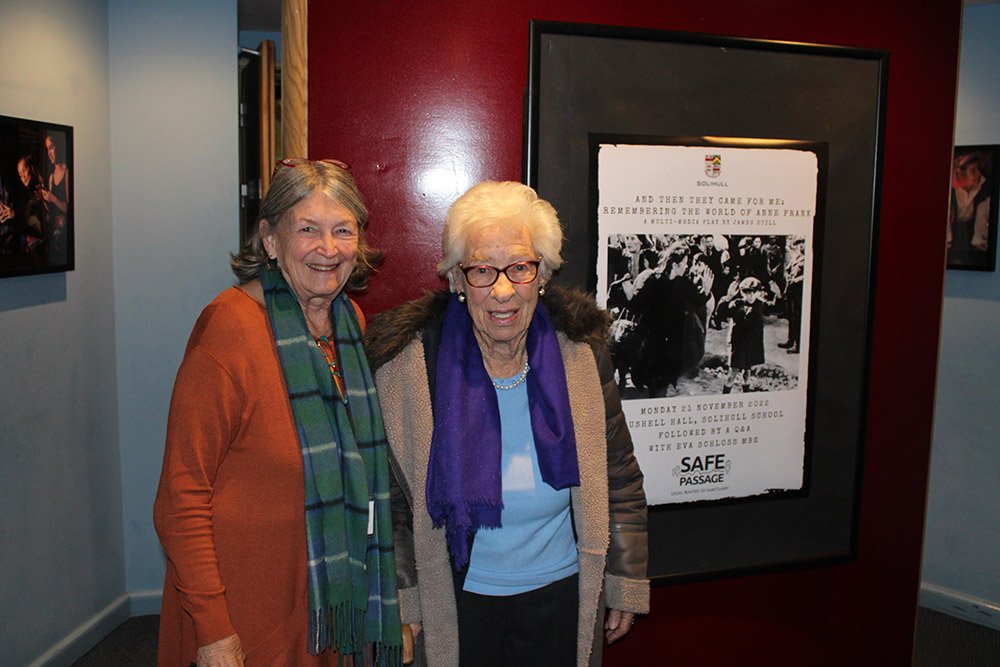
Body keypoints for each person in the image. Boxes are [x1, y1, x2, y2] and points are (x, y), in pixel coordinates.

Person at [364, 181, 649, 667]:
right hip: (458, 600)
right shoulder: (409, 369)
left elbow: (619, 475)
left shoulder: (581, 356)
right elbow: (388, 502)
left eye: (519, 267)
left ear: (542, 274)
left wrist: (625, 578)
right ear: (456, 278)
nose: (502, 289)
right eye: (481, 270)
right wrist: (404, 598)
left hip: (560, 595)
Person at [153, 158, 403, 666]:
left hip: (328, 605)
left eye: (342, 230)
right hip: (244, 615)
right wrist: (214, 631)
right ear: (269, 240)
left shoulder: (348, 323)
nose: (328, 249)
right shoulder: (230, 329)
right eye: (307, 229)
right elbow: (180, 496)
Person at [717, 276, 772, 393]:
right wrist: (728, 297)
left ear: (759, 292)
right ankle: (724, 396)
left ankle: (746, 394)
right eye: (747, 293)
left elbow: (778, 306)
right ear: (742, 293)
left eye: (754, 292)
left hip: (751, 345)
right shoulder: (736, 304)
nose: (751, 296)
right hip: (738, 345)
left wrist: (779, 294)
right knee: (733, 373)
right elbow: (720, 313)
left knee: (747, 372)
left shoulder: (761, 305)